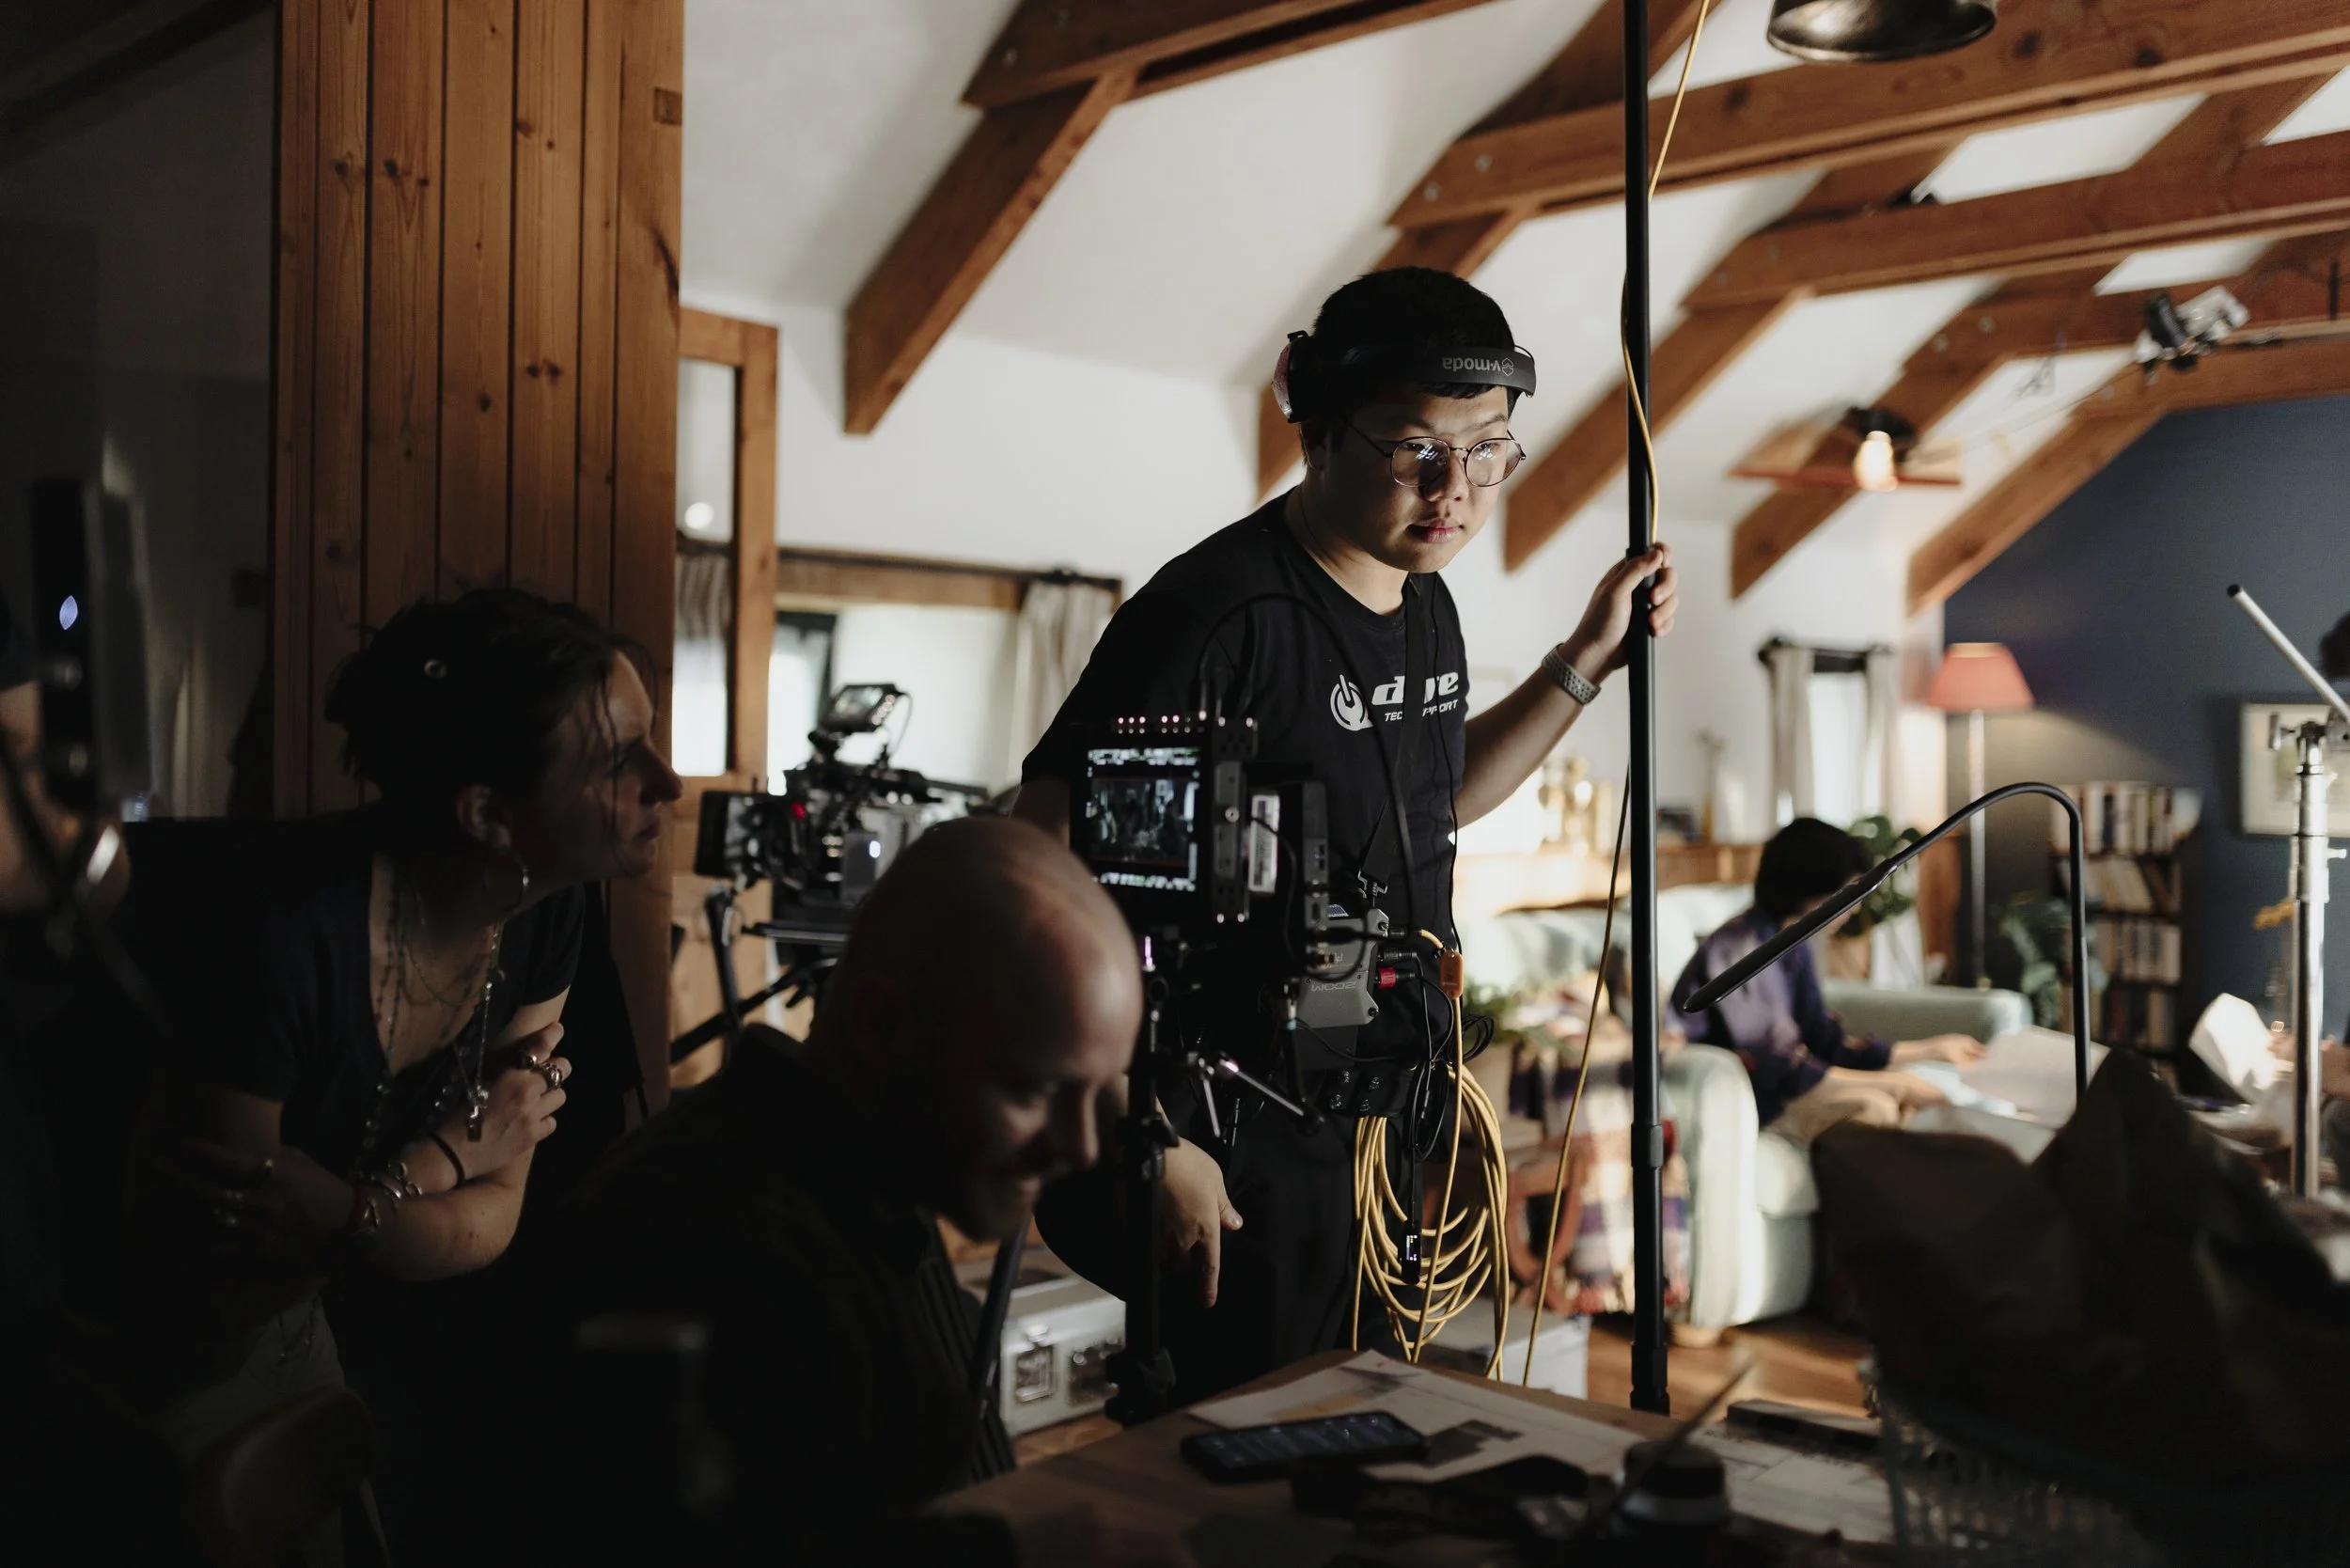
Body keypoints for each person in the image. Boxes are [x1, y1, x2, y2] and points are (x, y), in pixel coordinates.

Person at [1015, 266, 1679, 1403]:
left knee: (1354, 1423)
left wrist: (1582, 663)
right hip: (1222, 1127)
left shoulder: (1427, 602)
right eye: (1416, 446)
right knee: (1249, 1448)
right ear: (1317, 429)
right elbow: (1037, 871)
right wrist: (1149, 1132)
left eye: (1487, 449)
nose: (1454, 487)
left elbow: (1434, 798)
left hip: (1371, 1115)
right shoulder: (1215, 620)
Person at [116, 588, 682, 1550]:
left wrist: (349, 1209)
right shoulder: (289, 942)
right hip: (151, 1354)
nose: (665, 783)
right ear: (491, 815)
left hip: (337, 1315)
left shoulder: (549, 912)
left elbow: (498, 1208)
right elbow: (222, 1293)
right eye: (619, 762)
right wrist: (435, 1170)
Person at [520, 817, 1183, 1566]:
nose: (1082, 1147)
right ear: (878, 1026)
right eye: (1033, 1087)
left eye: (1095, 1093)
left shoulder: (867, 1176)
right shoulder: (702, 1252)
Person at [1669, 817, 1983, 1144]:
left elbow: (1822, 1037)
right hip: (1749, 1095)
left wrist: (1929, 1050)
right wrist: (1896, 1084)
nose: (1854, 906)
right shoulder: (1739, 950)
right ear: (1808, 885)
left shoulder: (1793, 942)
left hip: (1784, 1082)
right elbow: (1780, 1067)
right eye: (1845, 893)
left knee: (1902, 1102)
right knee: (1876, 1108)